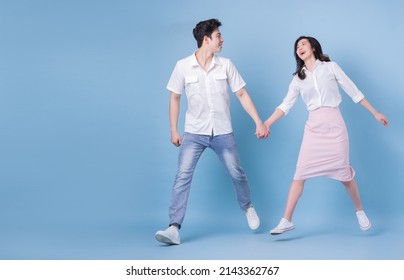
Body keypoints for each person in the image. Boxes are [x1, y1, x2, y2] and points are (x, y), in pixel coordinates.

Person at [155, 19, 269, 245]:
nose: (222, 39)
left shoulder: (226, 65)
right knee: (182, 177)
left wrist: (258, 122)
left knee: (237, 172)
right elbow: (175, 97)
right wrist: (173, 129)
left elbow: (242, 94)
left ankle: (248, 207)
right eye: (218, 36)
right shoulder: (183, 66)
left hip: (222, 131)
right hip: (194, 132)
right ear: (206, 40)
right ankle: (174, 228)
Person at [264, 36, 389, 235]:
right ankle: (286, 220)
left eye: (303, 44)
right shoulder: (299, 78)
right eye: (297, 47)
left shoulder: (331, 67)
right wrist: (267, 123)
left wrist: (375, 113)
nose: (300, 48)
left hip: (335, 126)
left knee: (344, 175)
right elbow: (285, 105)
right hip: (313, 129)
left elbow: (353, 91)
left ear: (313, 47)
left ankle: (360, 211)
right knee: (299, 174)